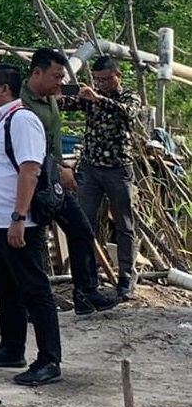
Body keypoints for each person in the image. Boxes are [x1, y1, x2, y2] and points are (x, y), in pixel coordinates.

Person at [0, 64, 62, 386]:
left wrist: (19, 217)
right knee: (5, 287)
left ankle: (49, 360)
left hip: (18, 222)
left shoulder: (22, 120)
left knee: (35, 290)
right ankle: (11, 347)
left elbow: (29, 170)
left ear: (4, 89)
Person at [20, 48, 117, 315]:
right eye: (55, 76)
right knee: (34, 243)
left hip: (54, 178)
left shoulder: (49, 96)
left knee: (81, 229)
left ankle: (85, 294)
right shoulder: (21, 104)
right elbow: (24, 147)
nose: (60, 82)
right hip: (32, 181)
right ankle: (32, 306)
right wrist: (57, 168)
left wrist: (63, 167)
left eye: (62, 77)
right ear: (36, 72)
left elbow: (51, 140)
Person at [60, 57, 141, 300]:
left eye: (106, 79)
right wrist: (56, 92)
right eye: (97, 80)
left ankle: (127, 277)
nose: (101, 84)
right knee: (84, 223)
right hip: (91, 169)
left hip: (118, 168)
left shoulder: (128, 96)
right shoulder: (91, 97)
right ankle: (87, 279)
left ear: (118, 76)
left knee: (124, 224)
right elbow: (66, 103)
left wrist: (99, 99)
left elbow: (130, 114)